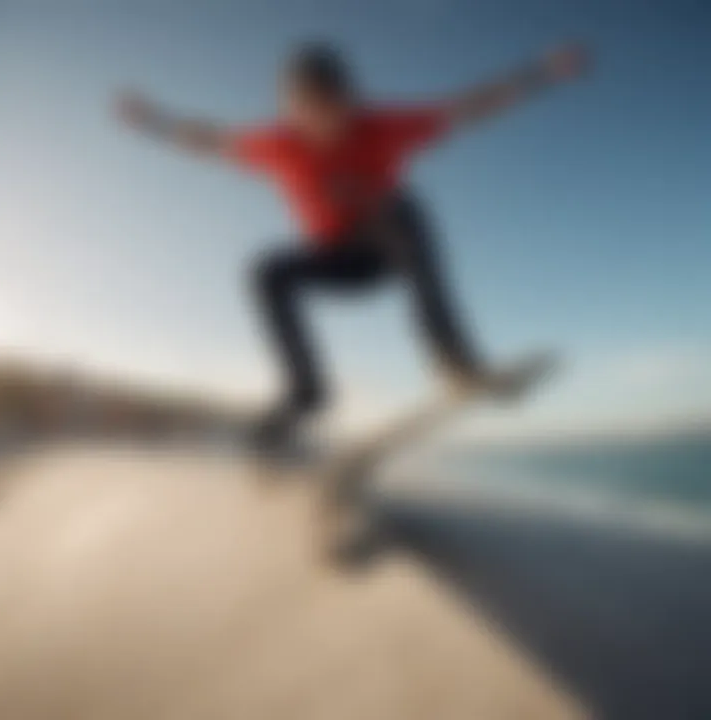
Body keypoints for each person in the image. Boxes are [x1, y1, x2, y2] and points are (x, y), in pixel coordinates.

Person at [116, 40, 590, 449]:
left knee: (402, 207)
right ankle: (305, 393)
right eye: (307, 108)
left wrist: (540, 72)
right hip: (336, 263)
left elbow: (466, 108)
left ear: (350, 100)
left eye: (332, 105)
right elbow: (210, 141)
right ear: (290, 109)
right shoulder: (278, 144)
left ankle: (453, 359)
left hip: (388, 250)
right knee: (264, 269)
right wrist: (154, 121)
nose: (323, 120)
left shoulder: (382, 128)